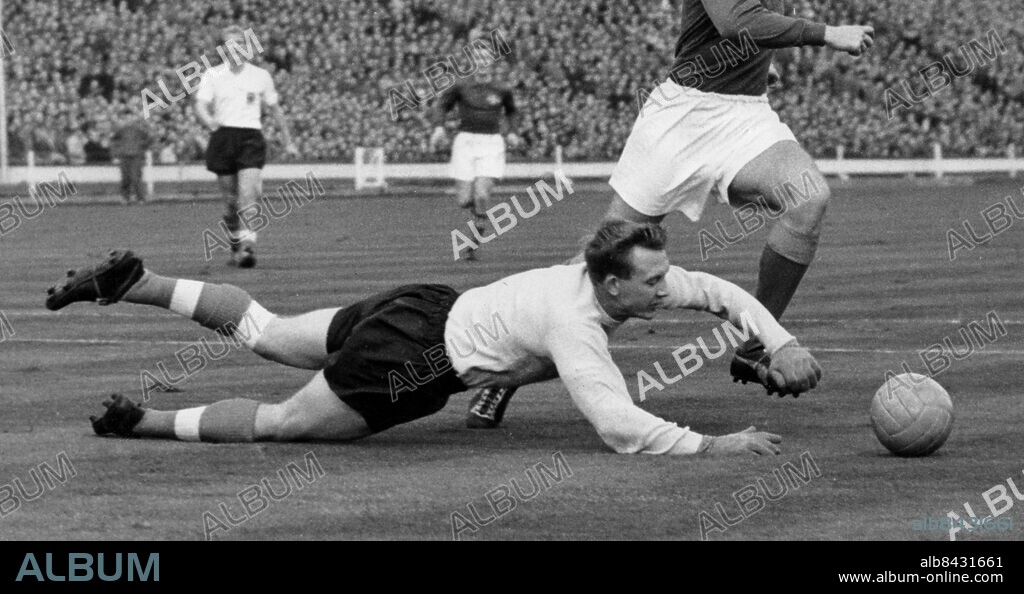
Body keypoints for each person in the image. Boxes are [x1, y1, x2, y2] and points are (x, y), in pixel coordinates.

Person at [468, 0, 872, 427]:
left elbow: (741, 34)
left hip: (744, 115)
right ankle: (502, 376)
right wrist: (825, 32)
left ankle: (758, 341)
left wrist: (765, 69)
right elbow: (737, 20)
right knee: (602, 283)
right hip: (679, 123)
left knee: (809, 199)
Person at [45, 221, 820, 455]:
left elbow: (714, 291)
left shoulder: (607, 281)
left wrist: (777, 339)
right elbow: (617, 424)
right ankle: (141, 423)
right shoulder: (575, 323)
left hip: (424, 303)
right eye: (655, 281)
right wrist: (714, 446)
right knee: (287, 424)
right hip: (415, 359)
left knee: (269, 330)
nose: (667, 286)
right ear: (615, 286)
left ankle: (137, 284)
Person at [195, 25, 298, 268]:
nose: (236, 49)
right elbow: (200, 104)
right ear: (223, 50)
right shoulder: (212, 75)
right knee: (231, 202)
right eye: (230, 45)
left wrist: (288, 142)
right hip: (223, 137)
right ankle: (235, 246)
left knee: (247, 195)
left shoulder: (260, 76)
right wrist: (209, 121)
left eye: (240, 44)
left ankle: (248, 248)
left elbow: (275, 110)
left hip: (251, 137)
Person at [429, 63, 519, 261]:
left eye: (487, 61)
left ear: (492, 65)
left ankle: (475, 239)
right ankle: (479, 214)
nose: (483, 66)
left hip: (491, 143)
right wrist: (438, 127)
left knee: (481, 193)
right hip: (466, 142)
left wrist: (512, 131)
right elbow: (442, 105)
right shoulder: (461, 86)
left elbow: (512, 111)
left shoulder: (502, 89)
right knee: (463, 200)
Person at [110, 110, 152, 204]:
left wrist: (141, 147)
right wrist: (115, 154)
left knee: (135, 177)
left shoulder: (139, 130)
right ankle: (125, 198)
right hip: (124, 156)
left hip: (136, 156)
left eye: (130, 118)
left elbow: (149, 139)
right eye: (127, 118)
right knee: (125, 178)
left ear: (134, 119)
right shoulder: (120, 130)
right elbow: (113, 142)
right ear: (124, 119)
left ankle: (140, 198)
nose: (129, 120)